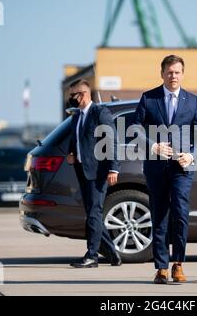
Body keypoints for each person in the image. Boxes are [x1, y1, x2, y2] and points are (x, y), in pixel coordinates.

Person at [132, 55, 197, 284]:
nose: (173, 76)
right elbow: (134, 128)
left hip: (182, 167)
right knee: (160, 214)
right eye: (169, 72)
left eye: (177, 72)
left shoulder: (192, 100)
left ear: (183, 74)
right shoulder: (149, 98)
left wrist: (192, 154)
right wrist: (152, 145)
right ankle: (161, 267)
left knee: (181, 213)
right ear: (162, 73)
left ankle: (178, 265)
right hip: (155, 166)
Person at [66, 79, 121, 268]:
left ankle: (92, 256)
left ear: (84, 94)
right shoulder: (76, 116)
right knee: (93, 213)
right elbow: (76, 140)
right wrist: (71, 153)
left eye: (73, 95)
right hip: (82, 170)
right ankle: (113, 254)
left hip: (98, 171)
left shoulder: (100, 113)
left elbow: (112, 139)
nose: (71, 99)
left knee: (94, 213)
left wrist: (114, 168)